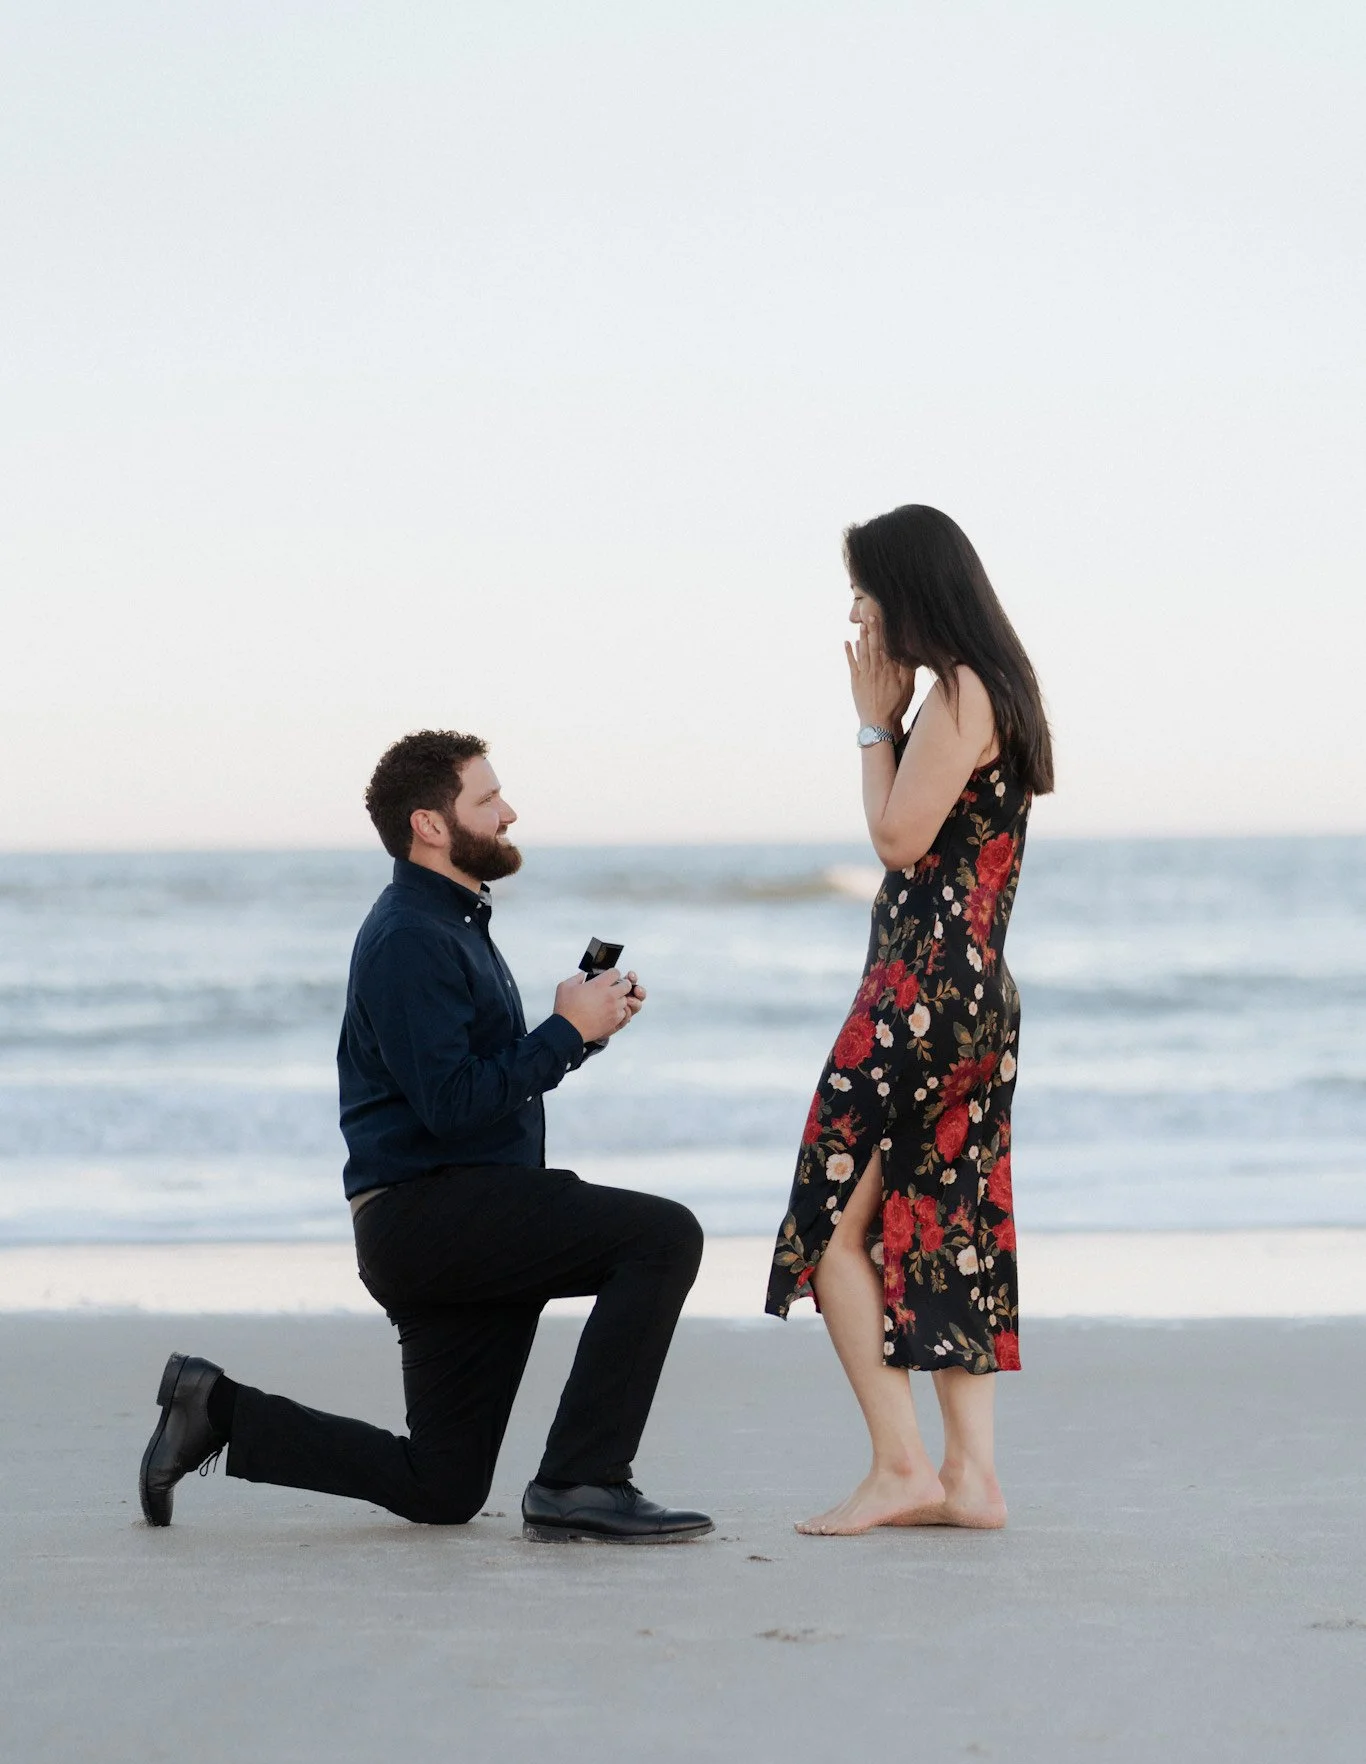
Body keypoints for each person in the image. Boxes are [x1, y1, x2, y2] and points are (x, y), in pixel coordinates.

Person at [139, 729, 713, 1545]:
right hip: (431, 1219)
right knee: (663, 1237)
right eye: (487, 798)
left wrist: (579, 1032)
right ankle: (581, 1481)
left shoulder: (450, 924)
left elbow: (474, 1086)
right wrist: (559, 1031)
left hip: (455, 1222)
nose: (509, 812)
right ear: (430, 825)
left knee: (441, 1486)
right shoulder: (410, 935)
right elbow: (450, 1104)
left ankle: (213, 1408)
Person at [766, 506, 1053, 1535]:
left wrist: (868, 721)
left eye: (862, 591)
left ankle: (900, 1465)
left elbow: (895, 837)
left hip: (918, 995)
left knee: (830, 1227)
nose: (853, 612)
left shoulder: (956, 693)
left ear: (908, 593)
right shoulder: (998, 689)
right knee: (944, 1223)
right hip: (978, 996)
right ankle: (970, 1477)